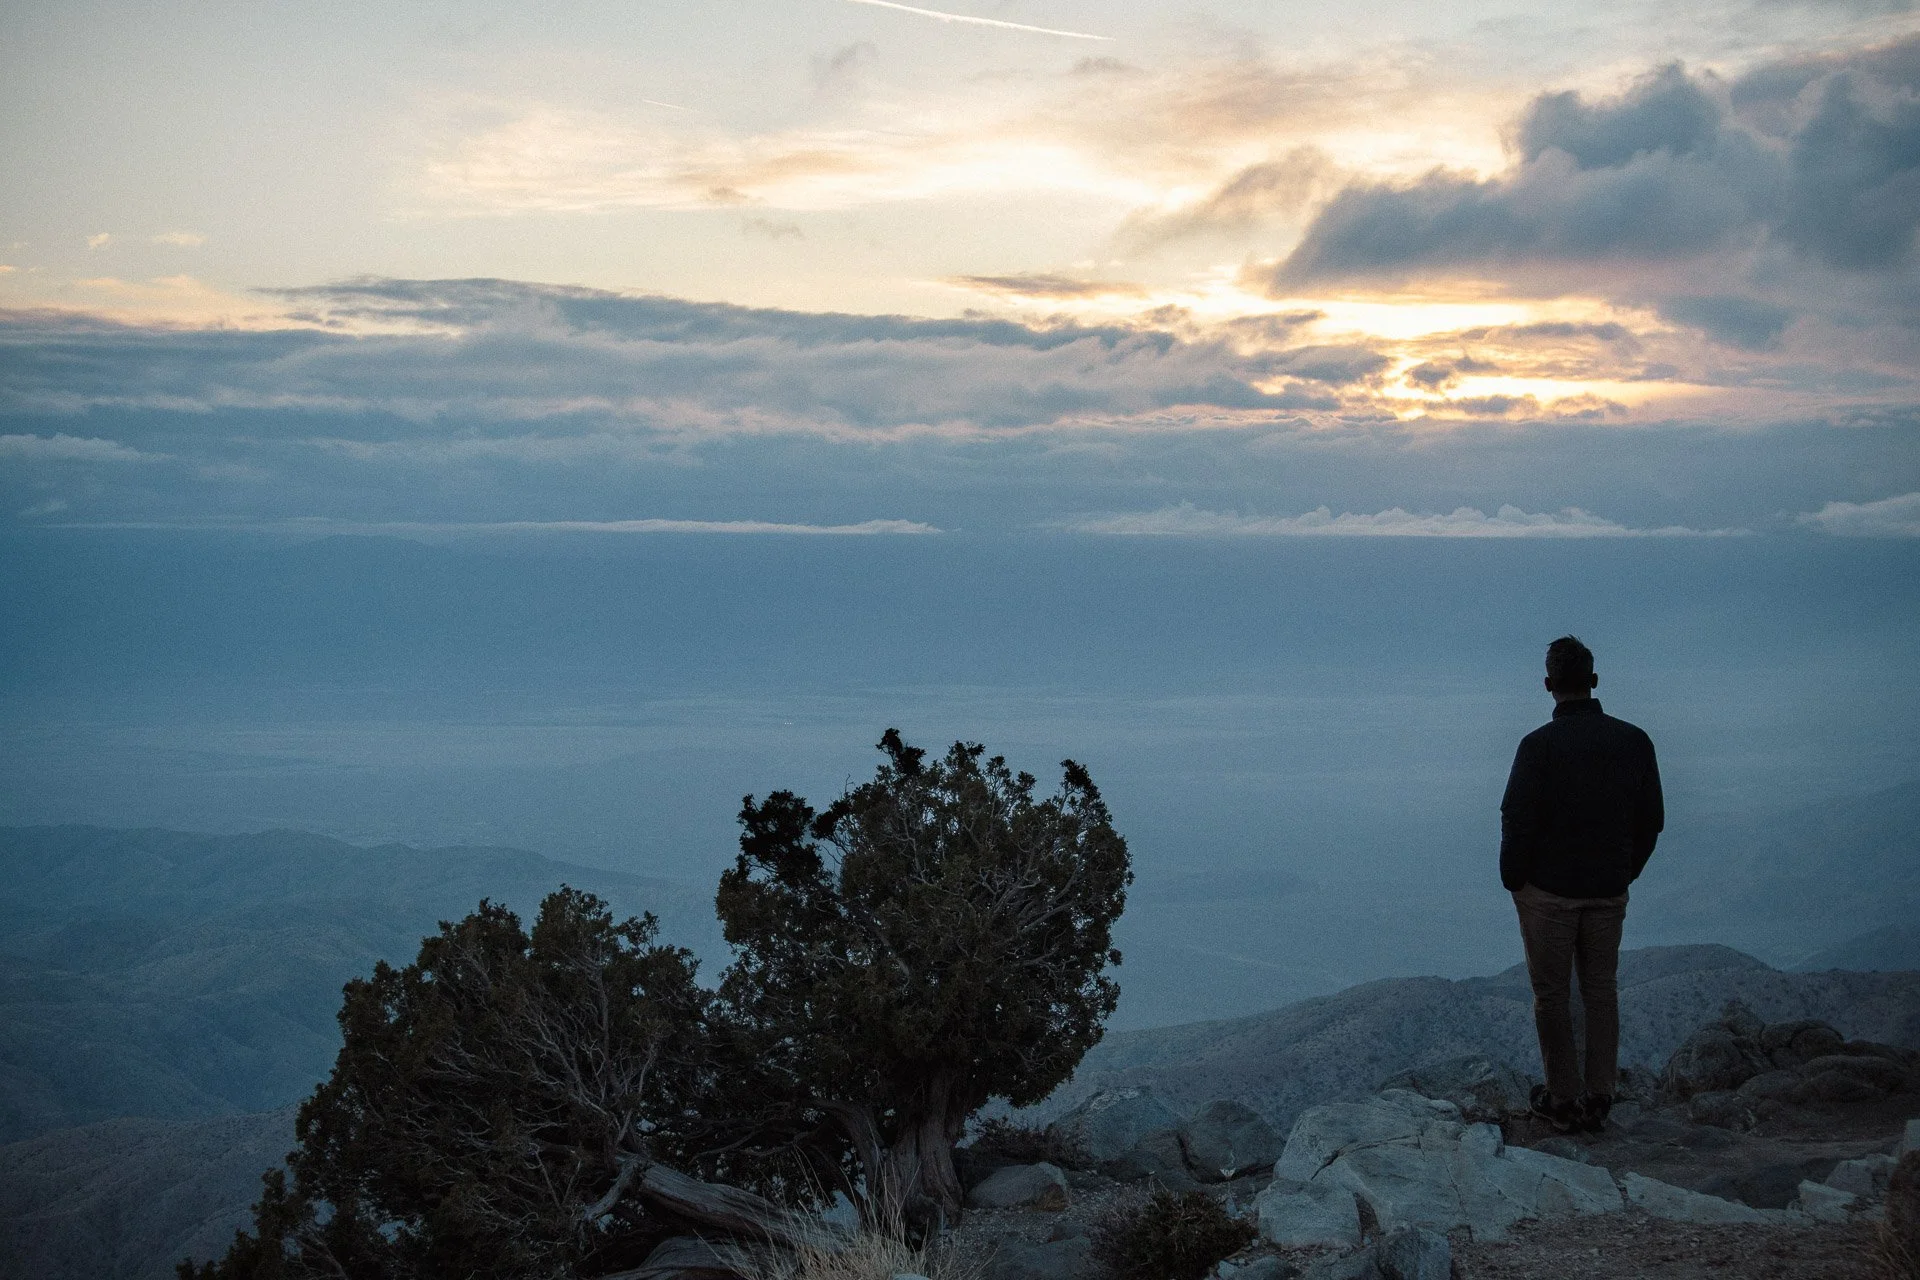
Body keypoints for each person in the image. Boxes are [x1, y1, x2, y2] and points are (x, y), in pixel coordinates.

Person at [1500, 636, 1663, 1135]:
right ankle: (1599, 1097)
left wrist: (1515, 879)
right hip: (1608, 889)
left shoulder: (1538, 747)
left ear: (1548, 685)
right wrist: (1623, 872)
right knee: (1600, 991)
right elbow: (1651, 820)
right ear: (1593, 681)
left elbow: (1517, 819)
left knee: (1551, 996)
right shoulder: (1633, 740)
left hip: (1548, 893)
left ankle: (1563, 1099)